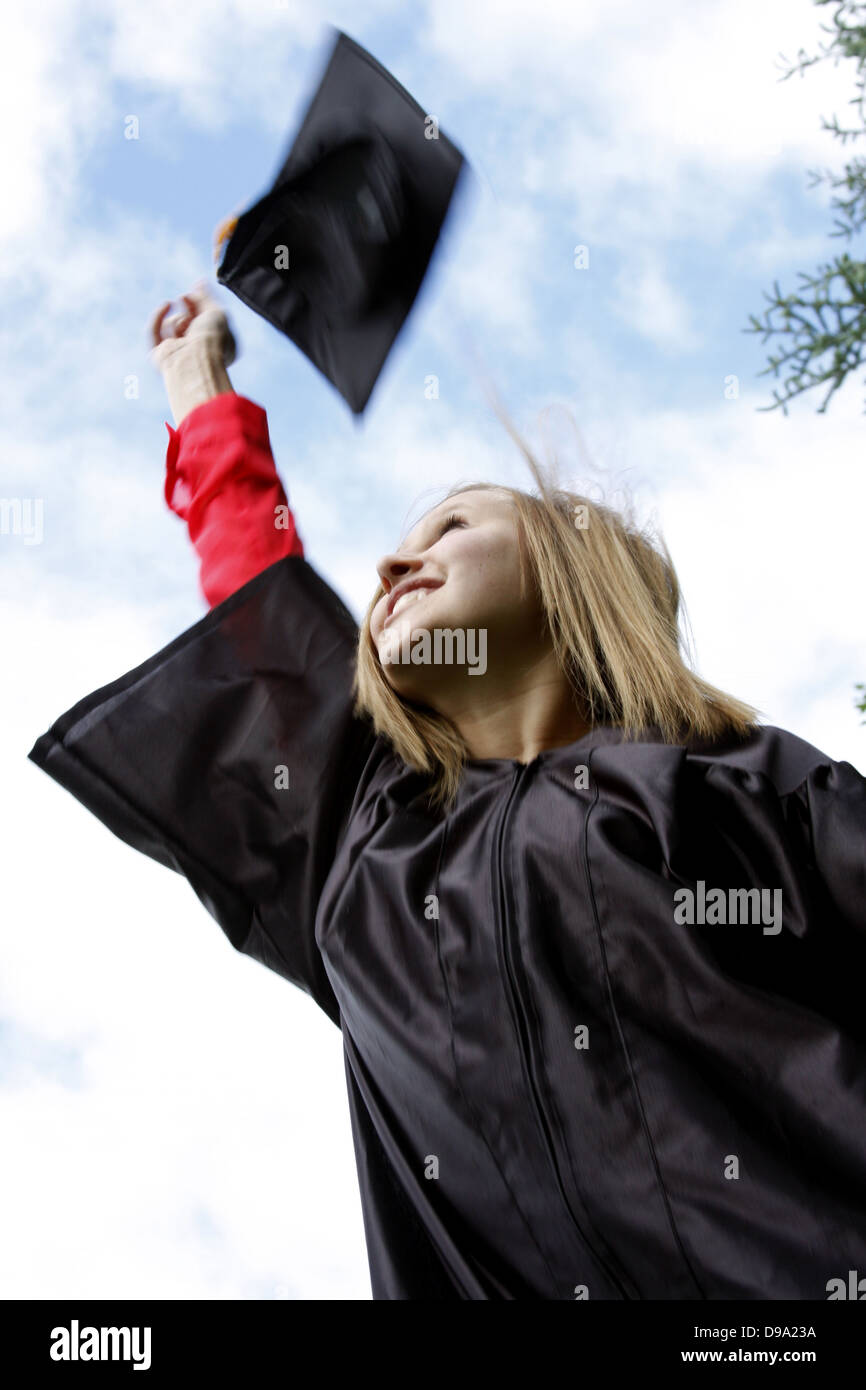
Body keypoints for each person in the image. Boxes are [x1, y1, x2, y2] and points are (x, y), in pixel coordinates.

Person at [31, 282, 866, 1301]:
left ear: (570, 573)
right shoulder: (359, 852)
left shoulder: (750, 788)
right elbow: (260, 593)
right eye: (394, 548)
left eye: (450, 527)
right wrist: (194, 379)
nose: (391, 562)